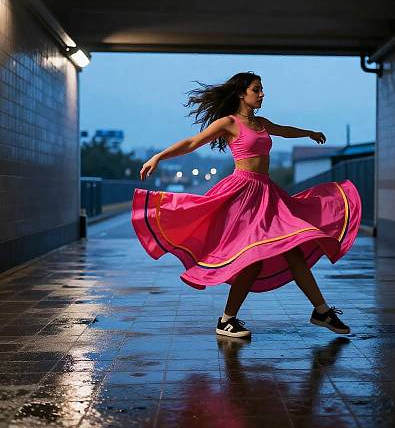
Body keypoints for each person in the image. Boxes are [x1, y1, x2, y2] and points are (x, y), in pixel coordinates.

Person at [132, 72, 362, 339]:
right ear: (242, 94)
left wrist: (308, 133)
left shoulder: (261, 123)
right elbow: (193, 143)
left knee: (294, 252)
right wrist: (159, 157)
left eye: (262, 90)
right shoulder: (228, 123)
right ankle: (227, 319)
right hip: (243, 194)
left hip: (268, 193)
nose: (262, 94)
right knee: (251, 259)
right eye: (257, 90)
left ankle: (321, 311)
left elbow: (284, 130)